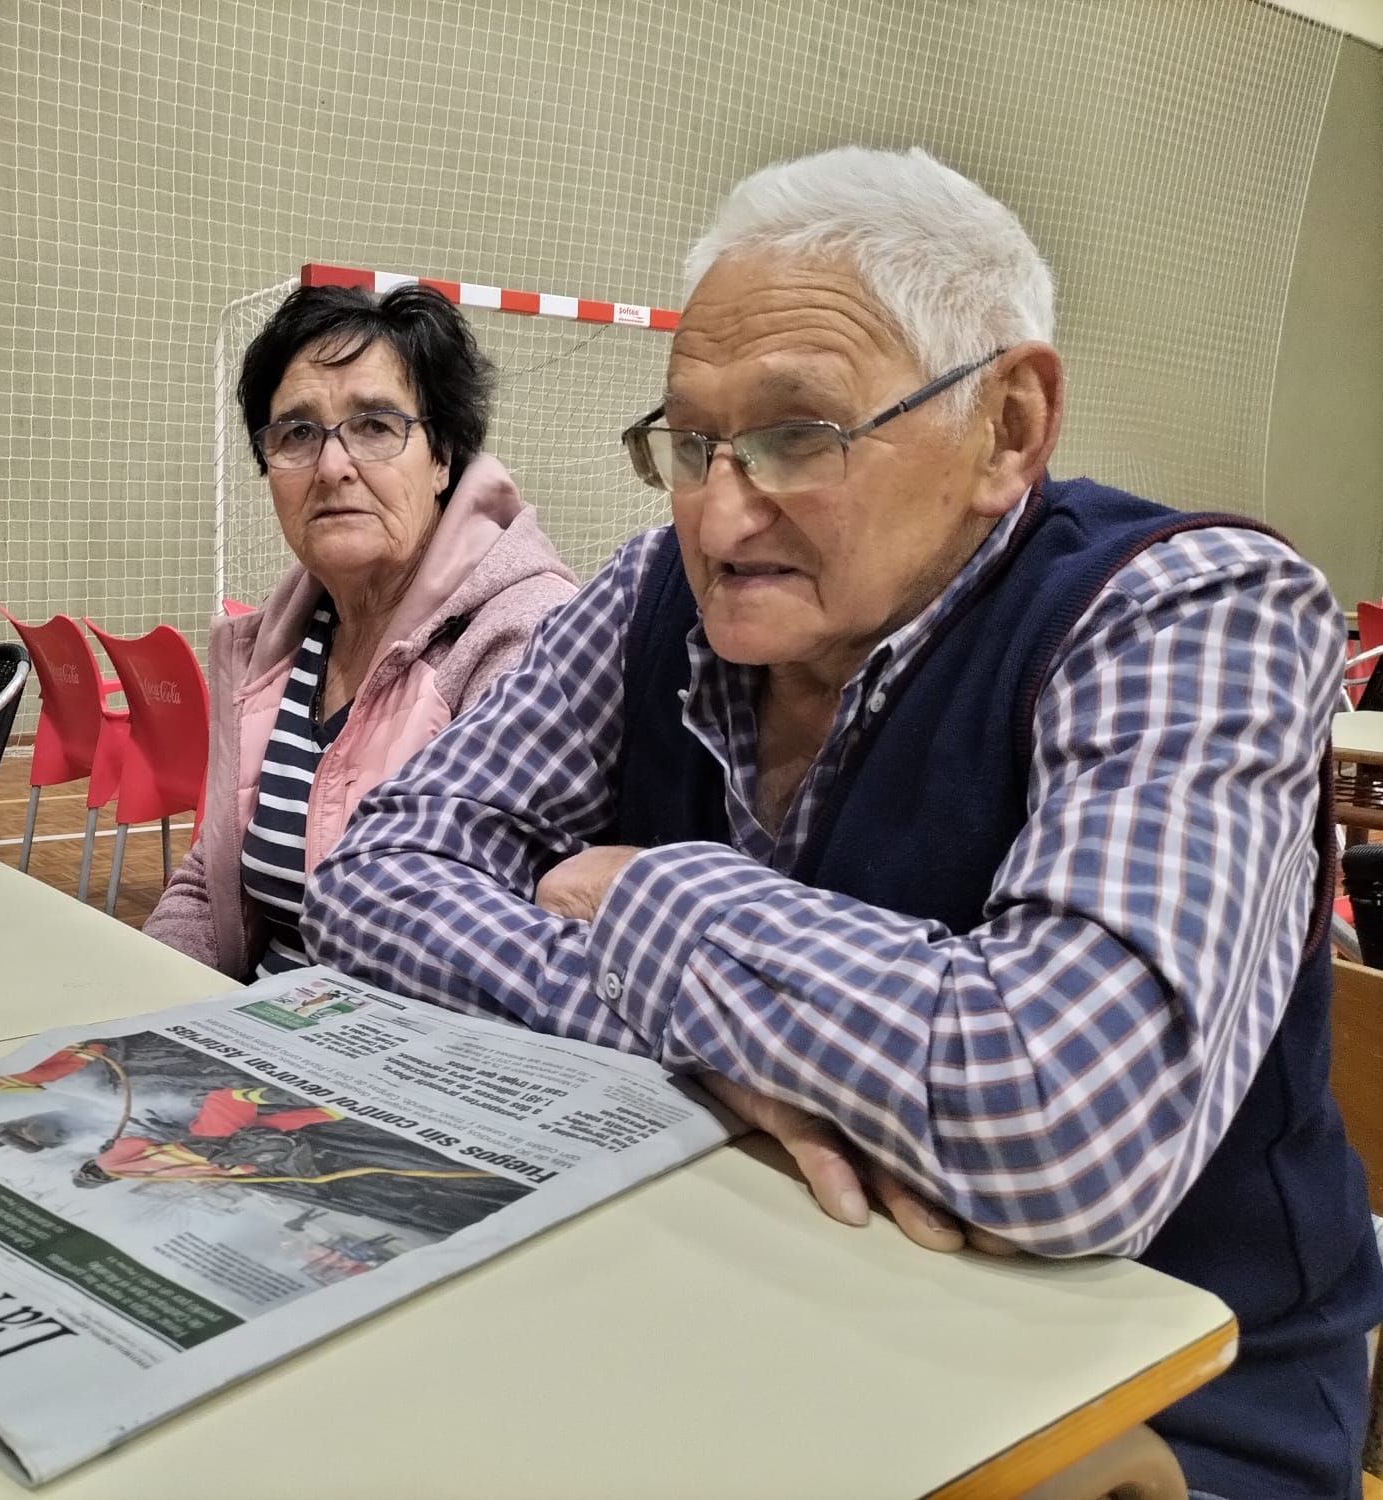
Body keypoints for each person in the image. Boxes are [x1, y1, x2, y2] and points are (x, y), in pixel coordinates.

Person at [302, 146, 1383, 1500]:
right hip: (746, 1293)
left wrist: (647, 898)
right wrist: (718, 1048)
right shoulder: (656, 587)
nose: (719, 505)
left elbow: (1055, 1120)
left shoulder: (1196, 605)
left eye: (797, 435)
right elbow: (371, 877)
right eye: (688, 444)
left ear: (1008, 428)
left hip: (1163, 1393)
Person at [144, 283, 577, 978]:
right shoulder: (277, 645)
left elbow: (500, 943)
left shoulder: (525, 639)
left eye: (376, 426)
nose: (332, 466)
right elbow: (208, 881)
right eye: (297, 433)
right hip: (253, 1042)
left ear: (443, 457)